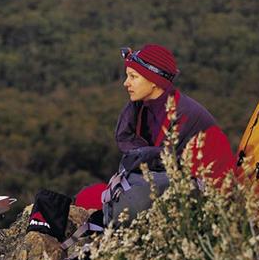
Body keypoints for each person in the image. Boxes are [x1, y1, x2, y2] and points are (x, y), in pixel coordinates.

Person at [73, 44, 238, 224]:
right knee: (87, 196)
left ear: (154, 81)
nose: (126, 83)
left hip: (205, 193)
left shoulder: (181, 113)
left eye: (133, 77)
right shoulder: (143, 106)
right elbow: (138, 152)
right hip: (167, 182)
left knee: (112, 202)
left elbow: (164, 162)